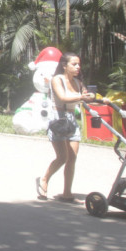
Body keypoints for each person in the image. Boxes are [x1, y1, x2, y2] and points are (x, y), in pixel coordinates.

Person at [36, 52, 94, 202]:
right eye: (74, 64)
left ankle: (67, 193)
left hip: (71, 121)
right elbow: (63, 97)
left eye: (79, 64)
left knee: (72, 159)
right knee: (62, 157)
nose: (78, 67)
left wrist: (98, 99)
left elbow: (85, 99)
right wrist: (82, 97)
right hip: (58, 120)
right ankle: (44, 179)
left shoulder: (78, 83)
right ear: (64, 65)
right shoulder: (57, 79)